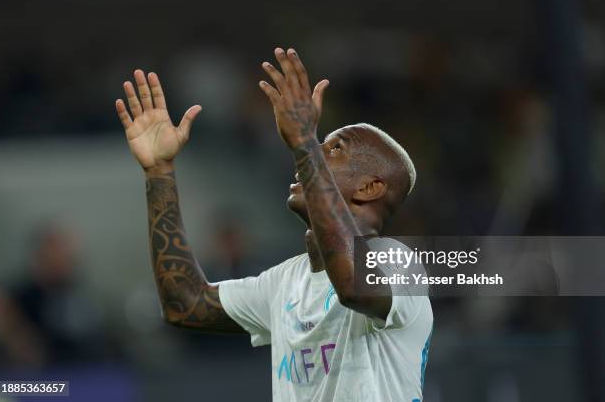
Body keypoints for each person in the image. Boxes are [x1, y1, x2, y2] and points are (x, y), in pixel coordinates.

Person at [115, 48, 433, 402]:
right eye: (318, 145)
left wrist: (304, 143)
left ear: (369, 187)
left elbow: (353, 288)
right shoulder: (285, 281)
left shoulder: (399, 263)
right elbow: (184, 303)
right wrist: (159, 172)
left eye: (335, 148)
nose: (315, 153)